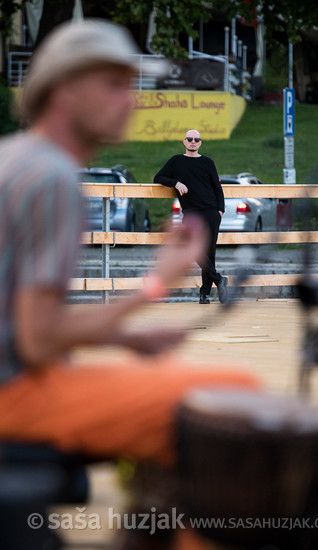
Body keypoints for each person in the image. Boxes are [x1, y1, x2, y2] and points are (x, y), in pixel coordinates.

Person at [0, 20, 261, 472]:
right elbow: (37, 341)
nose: (132, 100)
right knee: (236, 394)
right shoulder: (53, 178)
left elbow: (21, 320)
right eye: (115, 85)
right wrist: (155, 284)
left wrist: (127, 338)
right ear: (64, 91)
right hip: (16, 394)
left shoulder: (15, 156)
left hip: (19, 376)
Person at [154, 130, 228, 305]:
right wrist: (175, 183)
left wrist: (220, 210)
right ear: (184, 142)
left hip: (211, 211)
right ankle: (219, 279)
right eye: (190, 139)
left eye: (197, 139)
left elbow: (217, 189)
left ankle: (205, 294)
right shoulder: (176, 161)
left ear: (200, 143)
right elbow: (158, 177)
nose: (193, 142)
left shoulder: (208, 162)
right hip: (191, 213)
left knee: (209, 253)